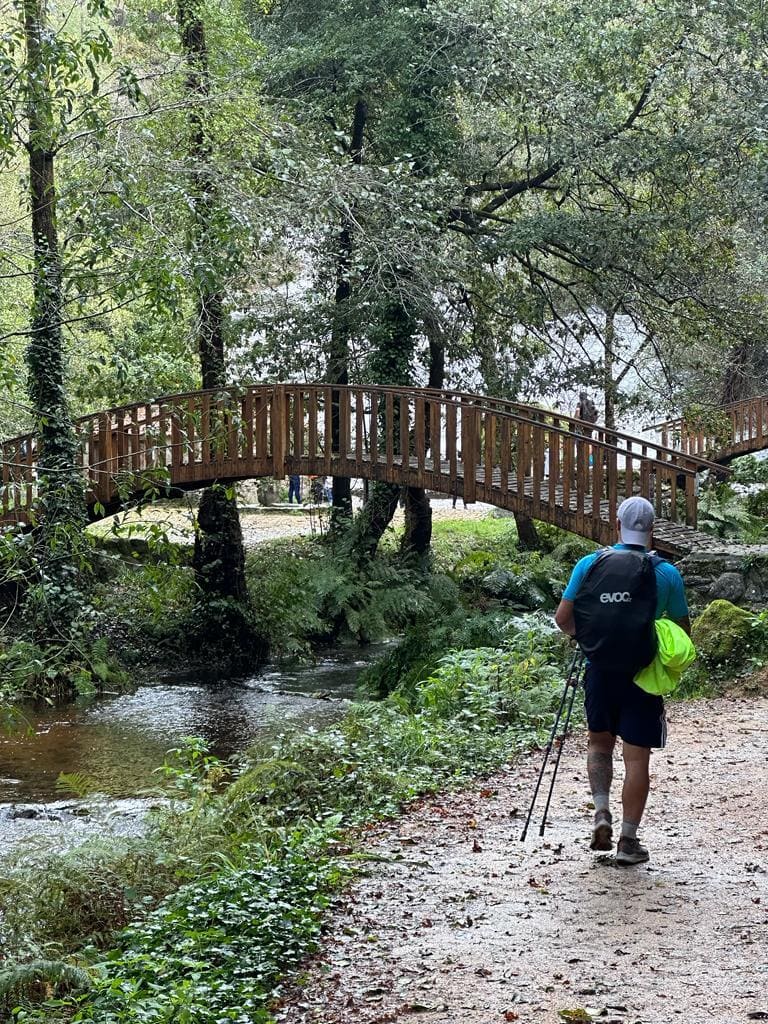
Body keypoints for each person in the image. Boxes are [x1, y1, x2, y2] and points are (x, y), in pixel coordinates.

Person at [554, 496, 690, 865]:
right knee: (637, 758)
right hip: (644, 675)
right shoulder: (667, 573)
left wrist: (591, 638)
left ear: (617, 526)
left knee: (599, 744)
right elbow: (682, 631)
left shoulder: (589, 564)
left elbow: (563, 619)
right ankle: (628, 842)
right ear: (652, 531)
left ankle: (601, 811)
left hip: (599, 669)